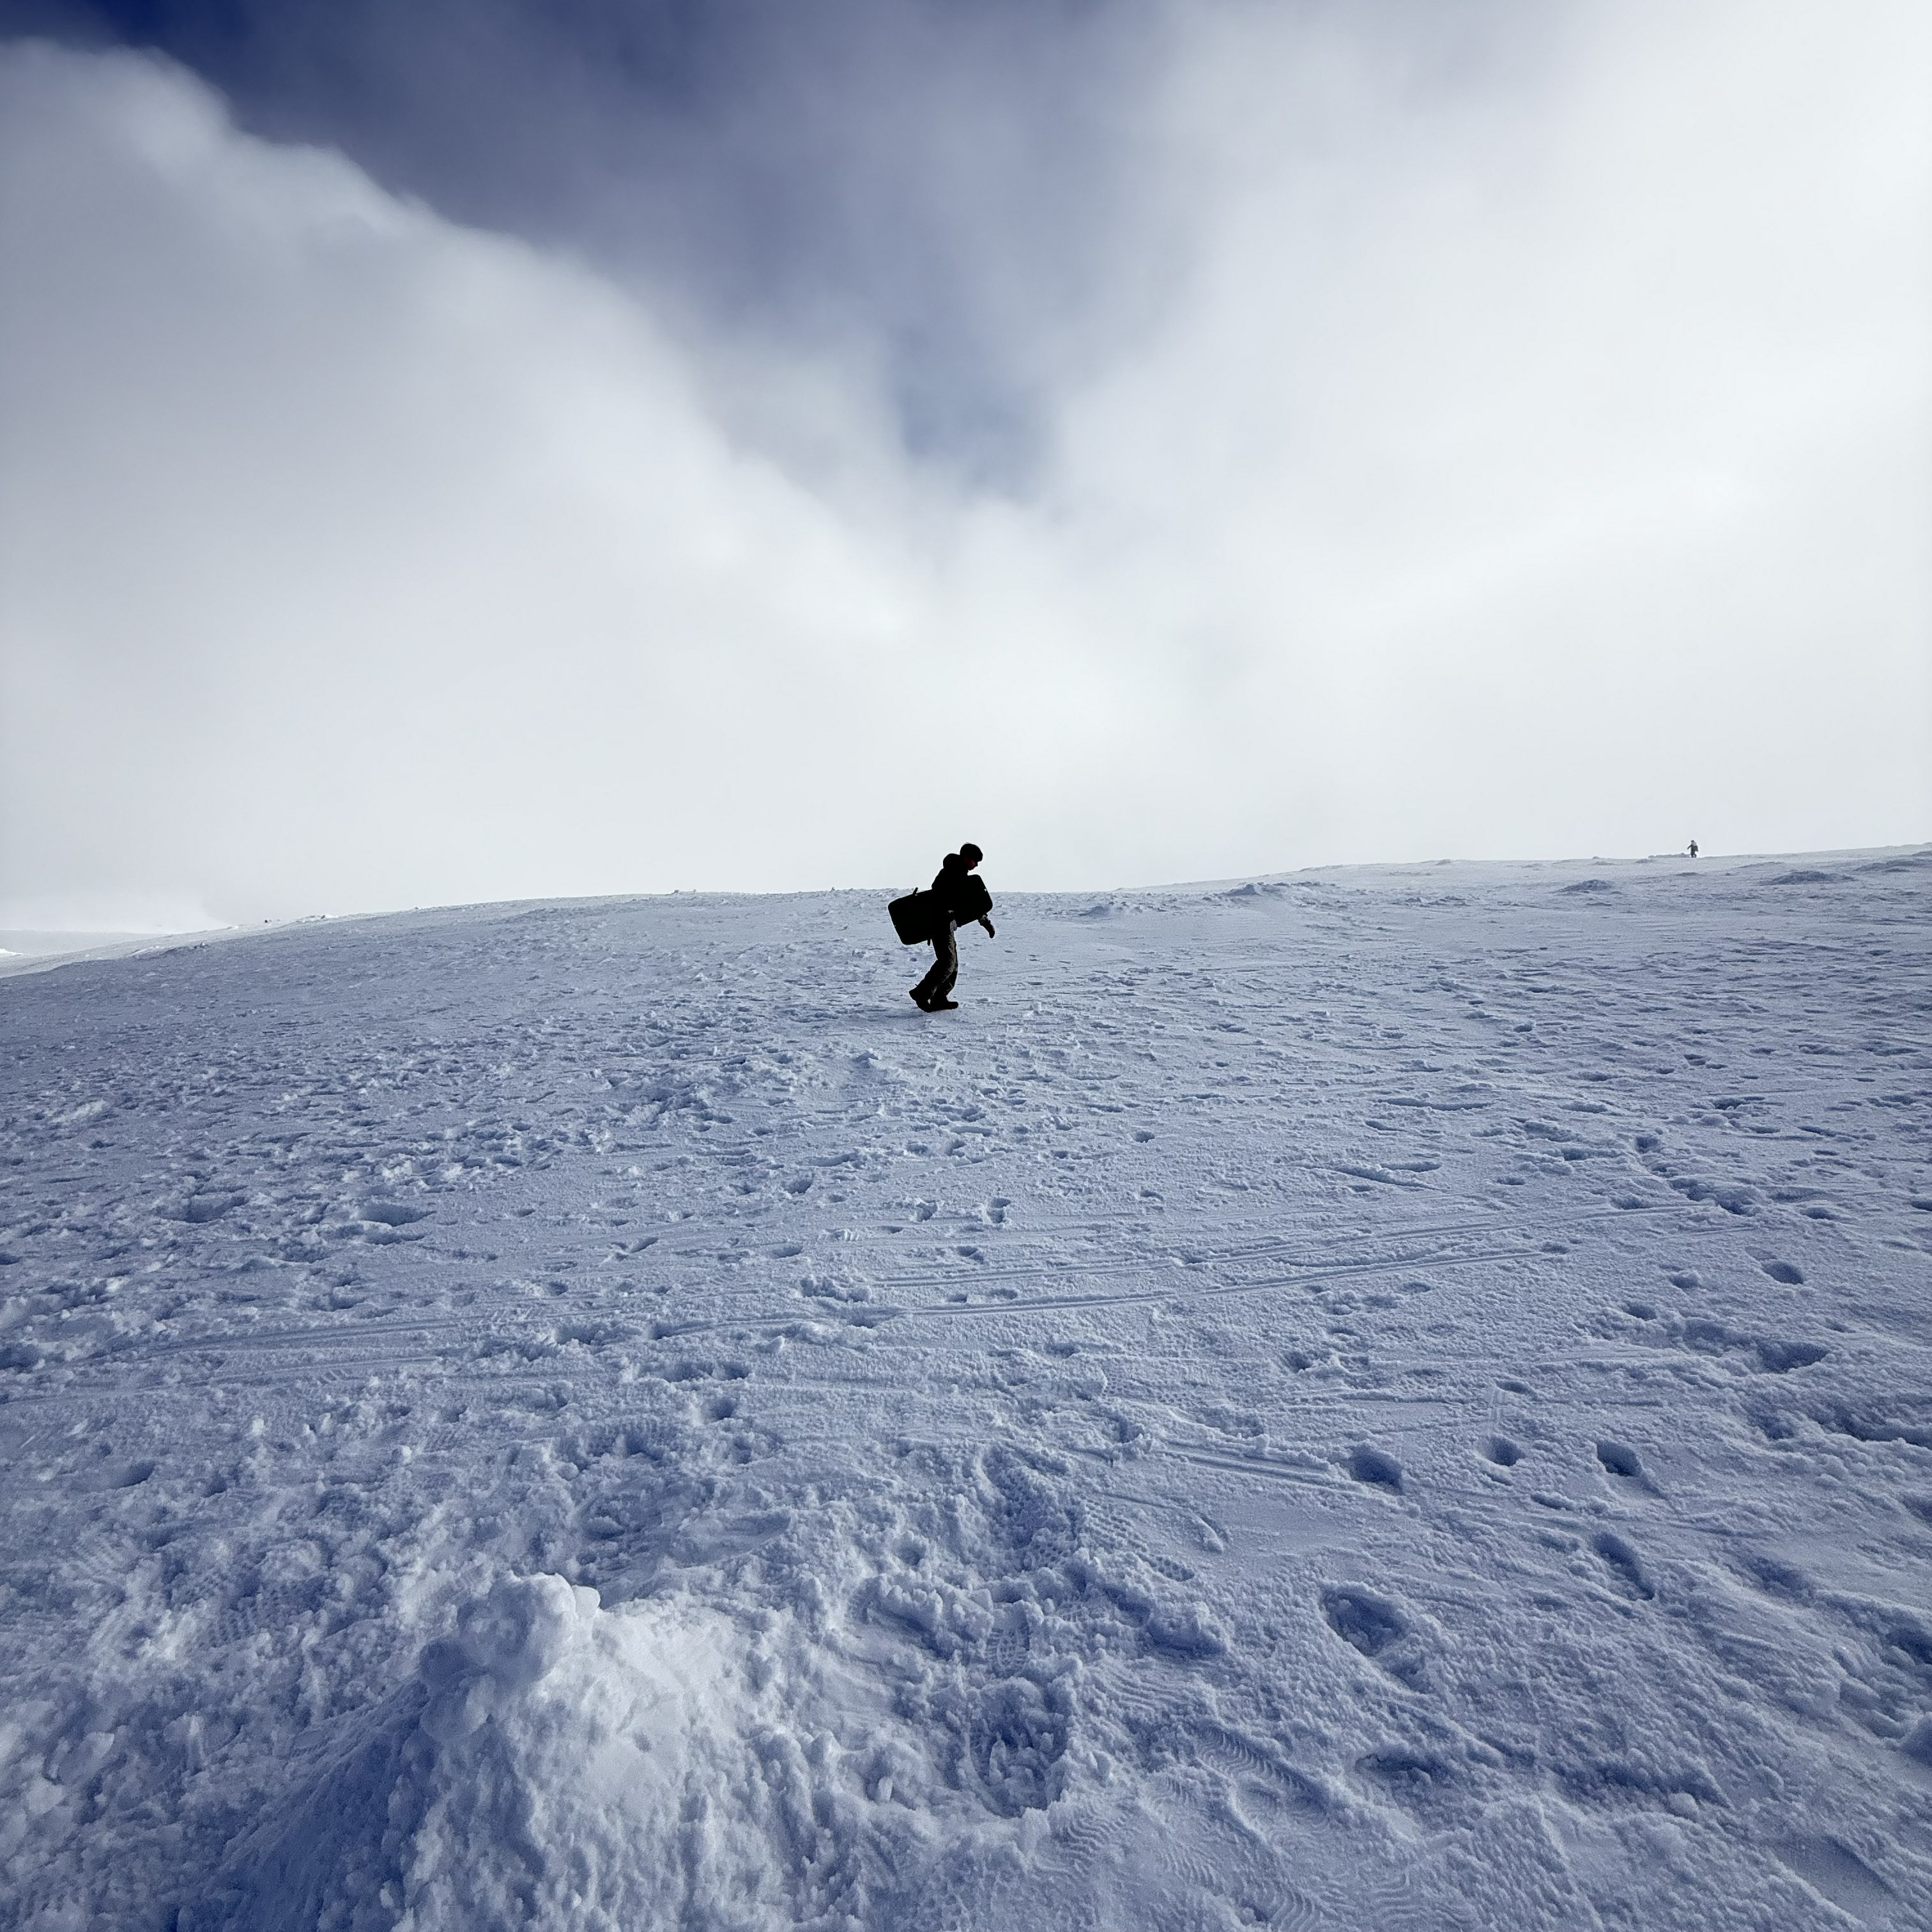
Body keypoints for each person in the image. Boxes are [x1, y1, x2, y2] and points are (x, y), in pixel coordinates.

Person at [912, 843, 995, 1011]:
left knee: (953, 963)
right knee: (947, 963)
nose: (976, 865)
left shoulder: (961, 876)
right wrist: (949, 913)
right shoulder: (950, 874)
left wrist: (985, 922)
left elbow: (971, 903)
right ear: (966, 858)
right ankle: (922, 993)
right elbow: (940, 896)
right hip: (938, 923)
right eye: (974, 861)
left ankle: (939, 997)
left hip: (946, 925)